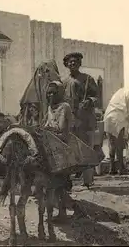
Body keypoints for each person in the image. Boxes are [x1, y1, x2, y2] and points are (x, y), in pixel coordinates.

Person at [61, 52, 99, 187]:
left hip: (85, 120)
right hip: (70, 122)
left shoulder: (88, 79)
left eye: (75, 61)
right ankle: (68, 182)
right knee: (70, 150)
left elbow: (96, 97)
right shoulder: (64, 82)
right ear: (66, 65)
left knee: (87, 149)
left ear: (79, 63)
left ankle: (88, 181)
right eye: (70, 62)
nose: (73, 64)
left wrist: (89, 101)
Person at [42, 81, 76, 220]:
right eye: (48, 92)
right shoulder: (50, 108)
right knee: (50, 181)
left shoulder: (64, 107)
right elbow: (46, 125)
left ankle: (64, 212)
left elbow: (60, 128)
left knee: (59, 182)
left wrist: (47, 129)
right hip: (51, 146)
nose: (51, 95)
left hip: (62, 147)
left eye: (54, 93)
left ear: (60, 93)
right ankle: (62, 210)